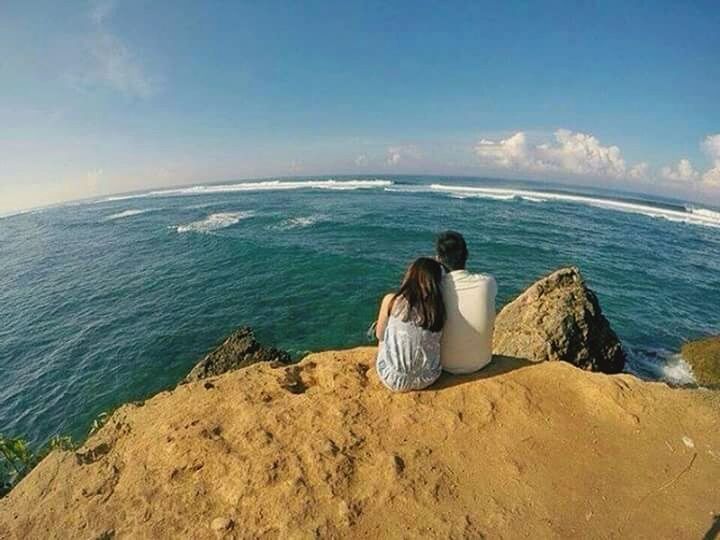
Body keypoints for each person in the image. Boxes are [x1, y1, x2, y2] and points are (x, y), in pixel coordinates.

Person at [374, 257, 446, 392]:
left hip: (393, 379)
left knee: (382, 333)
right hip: (428, 377)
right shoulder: (438, 308)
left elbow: (380, 335)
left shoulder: (392, 300)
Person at [435, 231, 497, 373]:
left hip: (443, 364)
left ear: (438, 258)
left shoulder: (436, 287)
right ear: (467, 255)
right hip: (482, 361)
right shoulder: (488, 282)